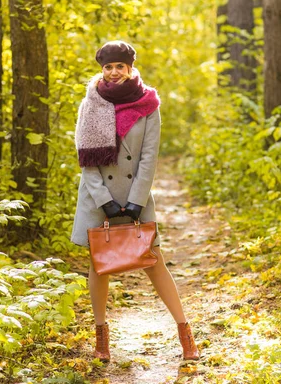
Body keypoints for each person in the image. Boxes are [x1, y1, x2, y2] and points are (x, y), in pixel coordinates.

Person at [71, 40, 200, 362]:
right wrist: (106, 202)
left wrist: (135, 202)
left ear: (130, 68)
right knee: (99, 267)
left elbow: (148, 157)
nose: (114, 73)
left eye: (120, 67)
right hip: (98, 197)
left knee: (154, 262)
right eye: (108, 67)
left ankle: (186, 335)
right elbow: (87, 162)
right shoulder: (90, 104)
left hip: (135, 196)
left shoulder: (149, 104)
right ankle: (101, 338)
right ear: (102, 69)